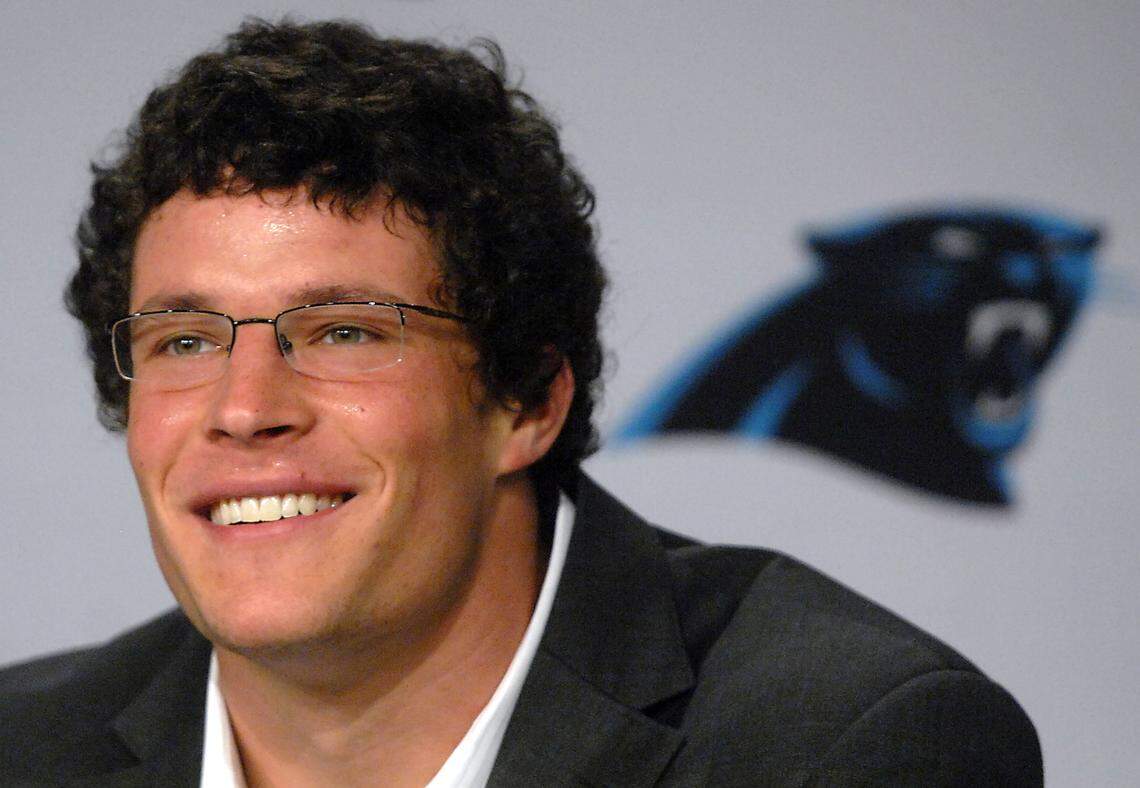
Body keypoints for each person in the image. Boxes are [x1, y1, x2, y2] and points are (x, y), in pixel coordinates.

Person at [0, 18, 1041, 786]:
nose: (244, 407)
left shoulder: (847, 747)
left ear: (528, 401)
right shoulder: (24, 748)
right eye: (184, 340)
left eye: (345, 330)